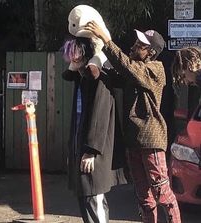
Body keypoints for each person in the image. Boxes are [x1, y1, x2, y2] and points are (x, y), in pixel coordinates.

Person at [84, 21, 181, 223]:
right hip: (134, 140)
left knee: (161, 191)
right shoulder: (135, 71)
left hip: (151, 139)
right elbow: (114, 75)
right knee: (143, 196)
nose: (135, 45)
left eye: (142, 45)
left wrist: (106, 39)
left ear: (151, 52)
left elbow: (126, 66)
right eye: (136, 42)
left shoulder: (155, 69)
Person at [62, 36, 127, 223]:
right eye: (71, 55)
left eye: (77, 54)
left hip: (94, 151)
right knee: (86, 197)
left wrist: (91, 151)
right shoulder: (82, 78)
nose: (73, 59)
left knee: (93, 196)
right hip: (82, 148)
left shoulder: (100, 79)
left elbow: (99, 116)